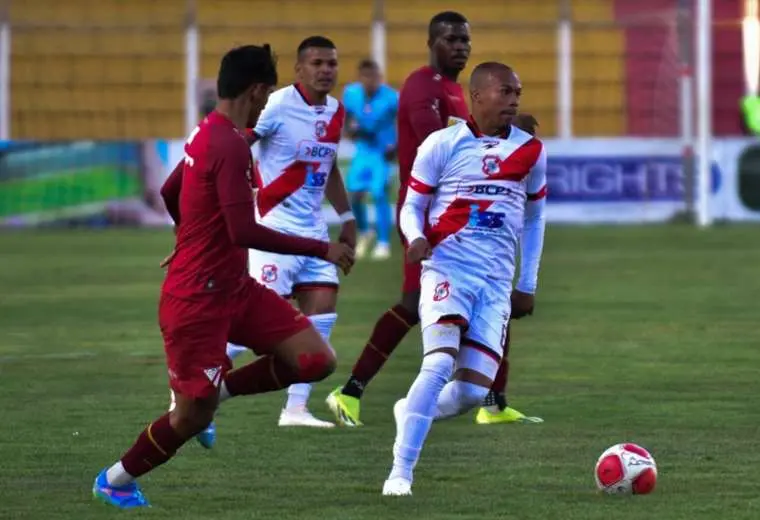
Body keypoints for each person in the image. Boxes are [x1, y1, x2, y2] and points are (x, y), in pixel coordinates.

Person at [92, 44, 354, 509]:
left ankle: (222, 389)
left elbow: (171, 188)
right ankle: (116, 478)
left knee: (315, 359)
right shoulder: (229, 143)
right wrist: (323, 247)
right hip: (197, 301)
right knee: (191, 418)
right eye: (267, 93)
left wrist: (188, 235)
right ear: (256, 91)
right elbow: (243, 230)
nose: (267, 101)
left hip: (235, 288)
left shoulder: (206, 132)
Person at [327, 11, 541, 427]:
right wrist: (507, 131)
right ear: (432, 43)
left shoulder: (456, 90)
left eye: (465, 40)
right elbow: (438, 140)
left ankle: (494, 402)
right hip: (428, 216)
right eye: (451, 39)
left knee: (492, 292)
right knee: (411, 305)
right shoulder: (421, 86)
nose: (460, 46)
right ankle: (349, 390)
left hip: (464, 218)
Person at [382, 62, 547, 496]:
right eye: (505, 92)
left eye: (518, 92)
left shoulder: (531, 151)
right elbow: (411, 205)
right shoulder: (442, 144)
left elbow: (535, 219)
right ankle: (401, 473)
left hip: (494, 284)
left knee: (473, 393)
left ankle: (410, 410)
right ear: (477, 95)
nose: (514, 100)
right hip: (448, 268)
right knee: (437, 363)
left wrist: (526, 284)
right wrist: (415, 238)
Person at [223, 36, 355, 428]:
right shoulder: (277, 105)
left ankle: (295, 409)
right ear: (299, 70)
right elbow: (238, 142)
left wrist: (346, 217)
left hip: (313, 231)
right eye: (316, 63)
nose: (325, 70)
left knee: (323, 312)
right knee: (256, 328)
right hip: (273, 228)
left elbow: (327, 167)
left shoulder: (335, 111)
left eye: (331, 63)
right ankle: (196, 386)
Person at [342, 59, 398, 260]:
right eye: (365, 77)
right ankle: (365, 231)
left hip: (382, 152)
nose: (370, 81)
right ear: (360, 78)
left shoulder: (391, 98)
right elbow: (347, 118)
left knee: (379, 194)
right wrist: (349, 130)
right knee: (354, 195)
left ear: (379, 78)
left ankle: (383, 243)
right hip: (362, 150)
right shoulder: (351, 94)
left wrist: (396, 145)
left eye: (373, 77)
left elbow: (402, 119)